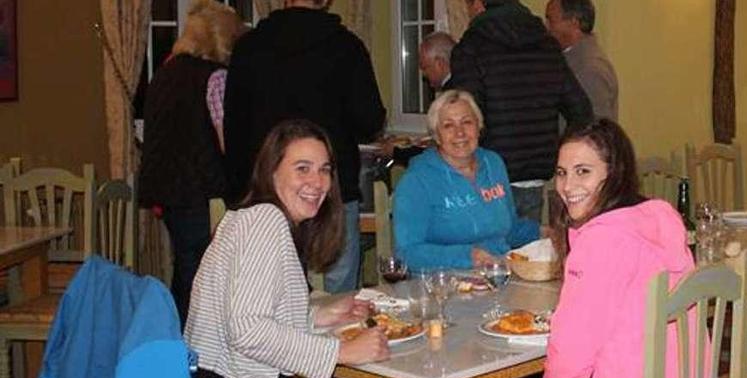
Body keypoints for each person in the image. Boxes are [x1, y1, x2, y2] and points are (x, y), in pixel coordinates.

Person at [470, 119, 713, 378]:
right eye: (562, 173)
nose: (568, 186)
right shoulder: (658, 220)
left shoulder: (604, 240)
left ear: (613, 172)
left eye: (584, 172)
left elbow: (570, 354)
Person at [185, 120, 413, 378]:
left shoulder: (243, 218)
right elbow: (247, 329)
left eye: (324, 170)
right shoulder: (266, 222)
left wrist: (320, 315)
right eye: (302, 168)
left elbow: (244, 312)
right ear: (271, 170)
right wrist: (342, 351)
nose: (318, 182)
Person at [223, 0, 386, 293]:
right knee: (340, 292)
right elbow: (370, 120)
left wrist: (237, 194)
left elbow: (234, 127)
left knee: (267, 291)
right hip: (329, 187)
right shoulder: (346, 47)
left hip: (266, 191)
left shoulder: (249, 47)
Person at [138, 0, 244, 325]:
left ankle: (170, 342)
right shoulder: (215, 78)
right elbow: (227, 140)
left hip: (168, 192)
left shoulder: (163, 74)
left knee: (186, 271)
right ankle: (190, 353)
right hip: (202, 191)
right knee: (200, 278)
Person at [450, 0, 593, 223]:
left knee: (490, 253)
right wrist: (558, 153)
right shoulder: (547, 45)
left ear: (478, 5)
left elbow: (465, 116)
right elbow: (582, 110)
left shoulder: (472, 47)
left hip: (491, 175)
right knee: (525, 252)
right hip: (535, 174)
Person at [392, 90, 540, 271]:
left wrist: (543, 233)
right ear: (436, 135)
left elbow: (509, 229)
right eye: (448, 126)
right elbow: (408, 253)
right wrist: (467, 256)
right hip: (441, 285)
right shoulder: (416, 181)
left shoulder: (493, 163)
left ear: (479, 127)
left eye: (466, 122)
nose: (459, 132)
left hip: (499, 273)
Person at [545, 0, 618, 121]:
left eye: (551, 21)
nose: (546, 27)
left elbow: (594, 131)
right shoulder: (575, 62)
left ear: (573, 23)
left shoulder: (591, 70)